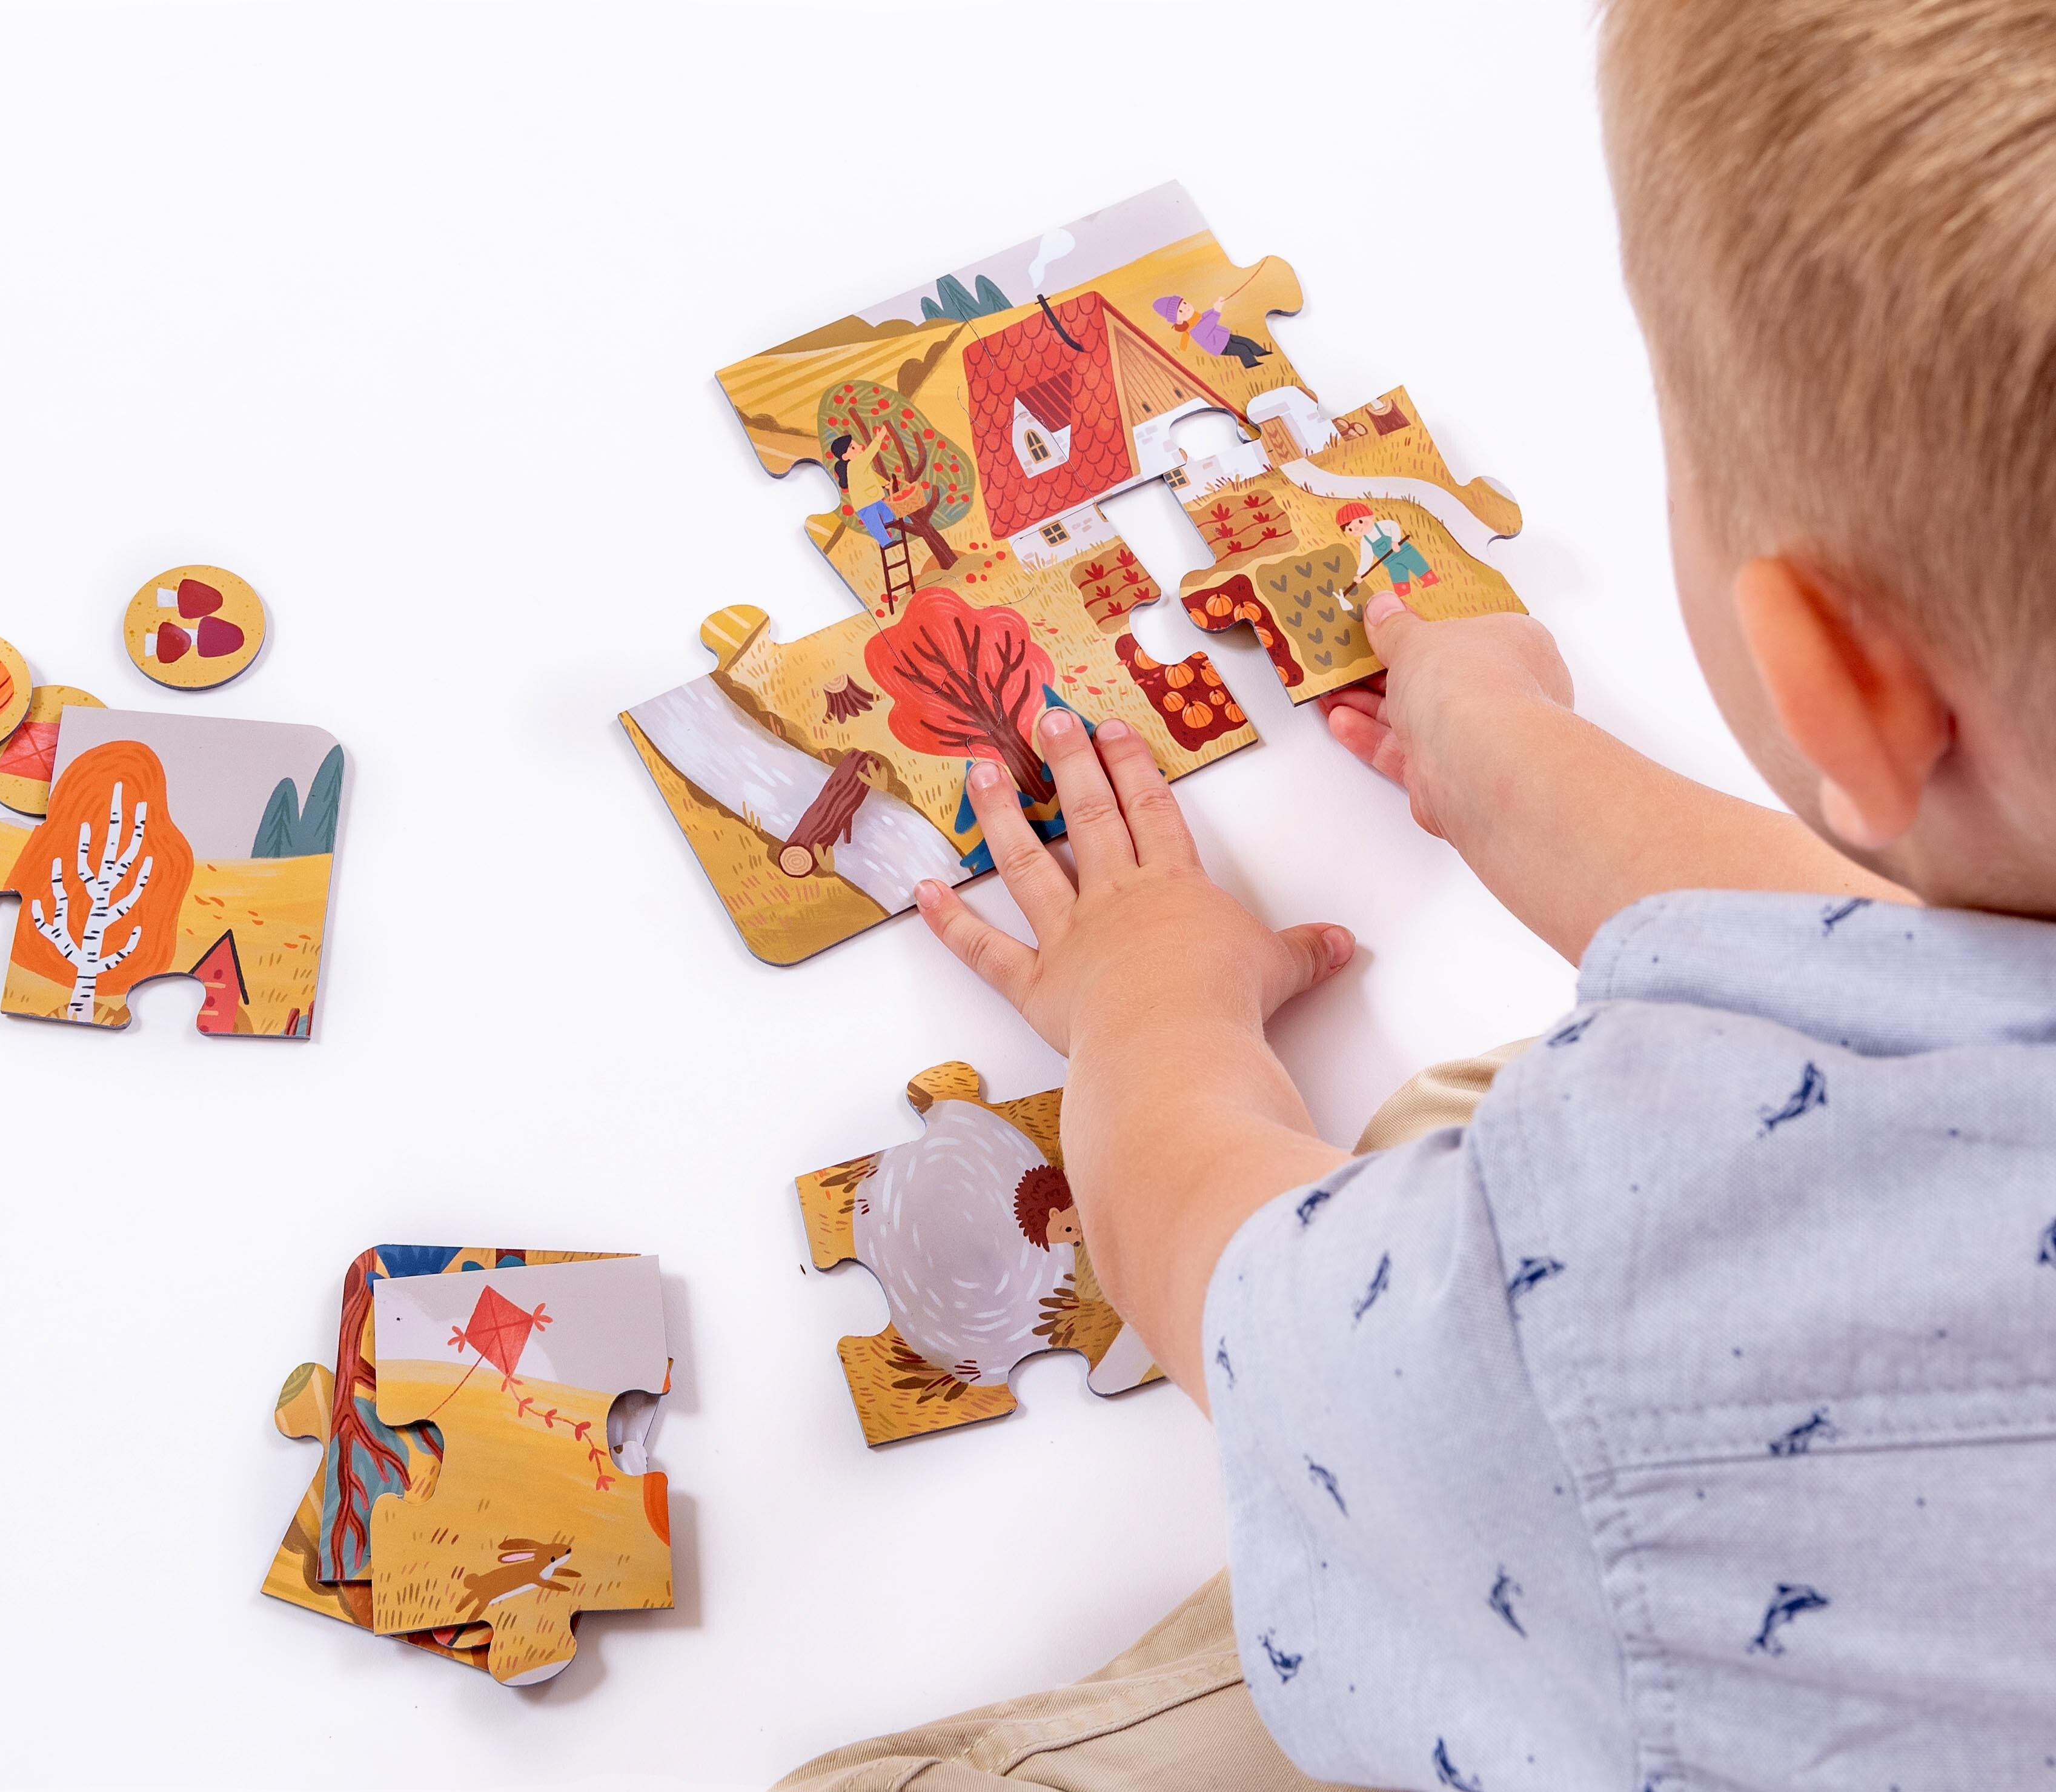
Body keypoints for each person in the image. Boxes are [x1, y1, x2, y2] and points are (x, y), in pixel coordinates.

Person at [781, 1, 2056, 1785]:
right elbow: (1939, 997)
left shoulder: (1633, 1296)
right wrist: (1508, 760)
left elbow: (1211, 1263)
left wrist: (1146, 988)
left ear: (1829, 678)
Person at [1335, 500, 1436, 606]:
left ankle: (1430, 581)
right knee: (1399, 577)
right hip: (1390, 562)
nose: (1357, 528)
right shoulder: (1365, 542)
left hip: (1405, 551)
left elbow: (1394, 526)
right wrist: (1361, 574)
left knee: (1417, 565)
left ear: (1371, 517)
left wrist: (1395, 541)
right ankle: (1405, 594)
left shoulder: (1382, 526)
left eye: (1360, 522)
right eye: (1350, 529)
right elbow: (1366, 558)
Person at [1152, 288, 1271, 369]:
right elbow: (1208, 325)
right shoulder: (1193, 330)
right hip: (1221, 346)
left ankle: (1261, 352)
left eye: (1185, 304)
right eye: (1181, 311)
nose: (1186, 308)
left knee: (1246, 341)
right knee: (1242, 349)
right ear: (1178, 321)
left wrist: (1217, 307)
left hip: (1225, 337)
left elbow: (1207, 316)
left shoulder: (1197, 318)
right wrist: (1217, 311)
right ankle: (1251, 364)